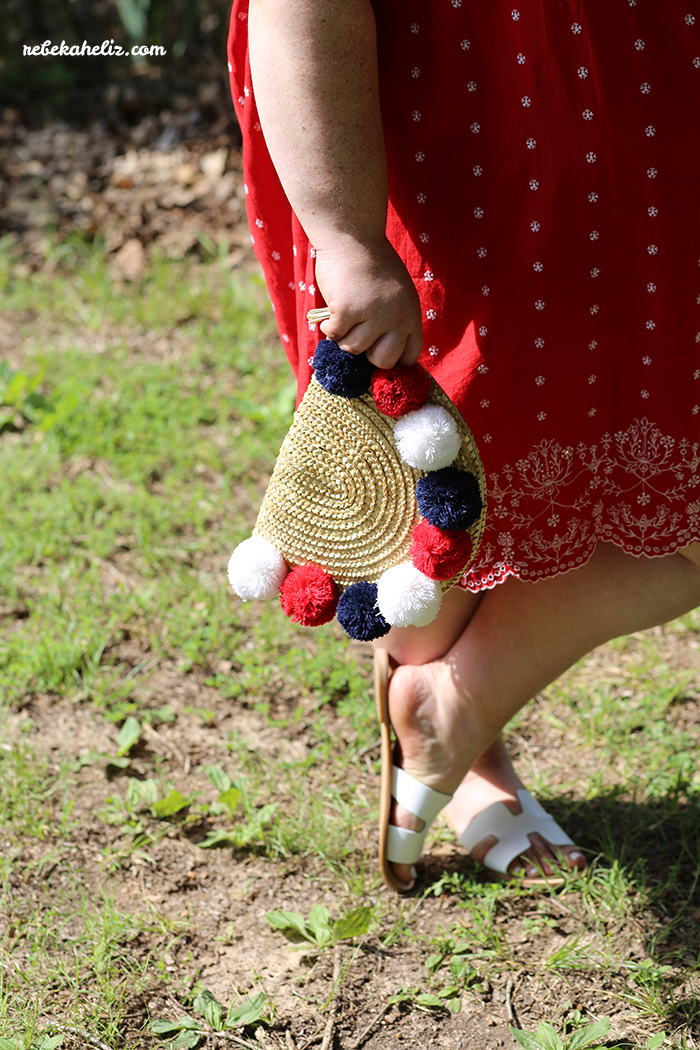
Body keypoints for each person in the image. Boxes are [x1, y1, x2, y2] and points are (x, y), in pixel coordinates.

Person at [228, 0, 700, 890]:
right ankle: (465, 748)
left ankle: (456, 704)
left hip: (649, 97)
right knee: (452, 487)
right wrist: (347, 238)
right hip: (447, 123)